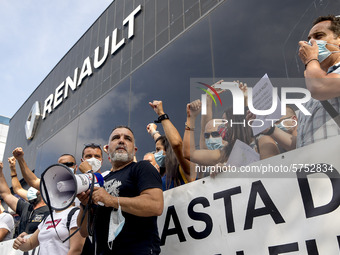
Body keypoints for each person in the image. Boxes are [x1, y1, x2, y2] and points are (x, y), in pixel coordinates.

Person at [77, 126, 163, 255]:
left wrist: (111, 200)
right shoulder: (102, 181)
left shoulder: (142, 168)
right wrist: (85, 206)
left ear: (134, 150)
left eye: (127, 138)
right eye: (116, 138)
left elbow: (155, 205)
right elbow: (84, 231)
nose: (121, 141)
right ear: (107, 149)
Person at [297, 14, 340, 147]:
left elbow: (319, 87)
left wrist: (311, 59)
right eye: (309, 39)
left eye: (319, 36)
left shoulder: (316, 84)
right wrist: (270, 129)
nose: (311, 43)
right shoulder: (309, 92)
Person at [148, 100, 197, 190]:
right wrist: (154, 132)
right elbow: (163, 142)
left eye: (158, 150)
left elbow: (175, 144)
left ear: (168, 151)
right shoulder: (161, 178)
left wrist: (161, 114)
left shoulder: (183, 170)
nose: (155, 154)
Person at [0, 159, 49, 236]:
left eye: (35, 188)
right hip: (21, 246)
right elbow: (6, 194)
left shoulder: (50, 211)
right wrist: (0, 172)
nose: (31, 191)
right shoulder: (25, 208)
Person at [13, 204, 85, 255]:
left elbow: (76, 250)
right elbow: (31, 243)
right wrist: (20, 243)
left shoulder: (76, 213)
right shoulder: (49, 217)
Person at [12, 147, 78, 190]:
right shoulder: (53, 185)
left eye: (69, 164)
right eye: (61, 165)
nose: (65, 167)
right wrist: (20, 159)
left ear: (76, 167)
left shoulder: (84, 184)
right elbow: (33, 181)